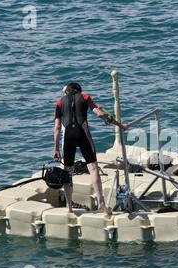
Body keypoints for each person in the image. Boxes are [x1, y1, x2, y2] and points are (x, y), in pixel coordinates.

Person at [53, 82, 128, 215]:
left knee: (67, 171)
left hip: (68, 138)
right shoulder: (85, 97)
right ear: (79, 90)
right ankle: (101, 204)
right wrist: (119, 125)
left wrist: (56, 149)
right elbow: (100, 114)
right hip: (83, 134)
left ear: (67, 92)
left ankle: (69, 206)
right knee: (93, 168)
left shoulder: (59, 102)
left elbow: (57, 127)